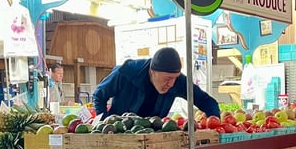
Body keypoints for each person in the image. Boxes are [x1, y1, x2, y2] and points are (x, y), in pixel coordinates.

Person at [92, 47, 220, 118]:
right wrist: (104, 122)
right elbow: (99, 95)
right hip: (121, 136)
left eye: (175, 78)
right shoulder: (126, 72)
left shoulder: (178, 81)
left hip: (154, 138)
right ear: (152, 71)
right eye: (168, 79)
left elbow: (207, 101)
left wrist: (214, 124)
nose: (171, 84)